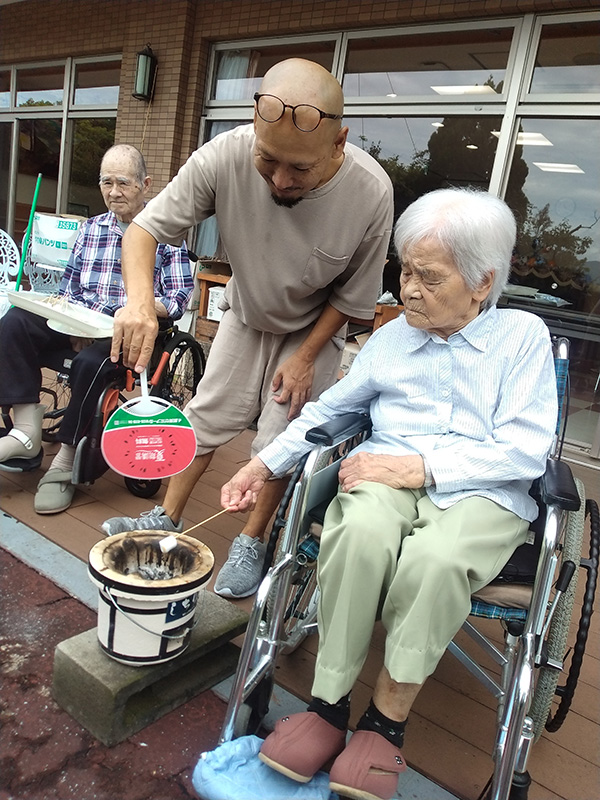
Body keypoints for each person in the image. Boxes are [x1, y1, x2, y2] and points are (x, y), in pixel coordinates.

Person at [220, 188, 558, 800]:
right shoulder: (391, 338)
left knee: (434, 561)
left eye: (430, 277)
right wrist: (263, 466)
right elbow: (329, 410)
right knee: (360, 533)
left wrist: (421, 467)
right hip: (382, 475)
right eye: (406, 271)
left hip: (483, 489)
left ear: (482, 283)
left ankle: (386, 722)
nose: (410, 289)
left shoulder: (522, 338)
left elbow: (525, 451)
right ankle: (326, 707)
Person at [102, 58, 394, 600]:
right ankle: (166, 515)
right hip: (245, 312)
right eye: (269, 160)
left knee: (280, 436)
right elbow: (142, 229)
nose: (280, 180)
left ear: (338, 143)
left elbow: (355, 301)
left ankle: (252, 540)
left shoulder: (371, 193)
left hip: (312, 327)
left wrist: (306, 356)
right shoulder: (225, 155)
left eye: (298, 169)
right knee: (205, 417)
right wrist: (140, 303)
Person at [0, 144, 193, 513]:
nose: (114, 192)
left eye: (123, 182)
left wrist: (136, 308)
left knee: (92, 363)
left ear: (145, 184)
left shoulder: (167, 232)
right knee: (15, 323)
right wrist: (66, 318)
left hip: (124, 332)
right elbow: (69, 285)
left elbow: (177, 298)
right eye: (107, 182)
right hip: (78, 320)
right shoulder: (91, 228)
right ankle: (26, 431)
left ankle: (65, 459)